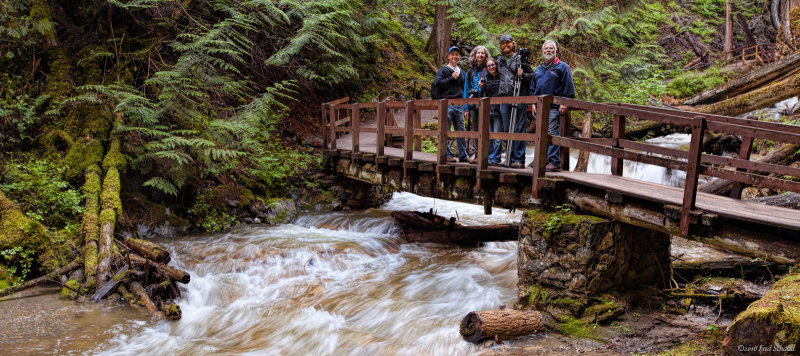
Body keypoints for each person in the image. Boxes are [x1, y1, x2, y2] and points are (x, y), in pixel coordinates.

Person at [529, 40, 575, 172]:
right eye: (546, 49)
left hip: (554, 106)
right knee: (540, 133)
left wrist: (564, 102)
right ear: (543, 51)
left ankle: (554, 162)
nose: (548, 51)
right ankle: (541, 159)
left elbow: (568, 87)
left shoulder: (562, 67)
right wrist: (533, 103)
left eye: (551, 49)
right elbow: (533, 88)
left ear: (555, 51)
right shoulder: (539, 69)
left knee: (551, 131)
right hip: (539, 106)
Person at [496, 34, 532, 168]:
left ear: (513, 43)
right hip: (504, 98)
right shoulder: (499, 61)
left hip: (519, 97)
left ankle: (519, 159)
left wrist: (523, 75)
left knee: (519, 128)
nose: (505, 45)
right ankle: (509, 157)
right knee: (507, 128)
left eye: (507, 42)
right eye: (502, 43)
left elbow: (532, 76)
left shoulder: (521, 59)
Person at [434, 46, 469, 163]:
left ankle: (463, 155)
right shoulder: (443, 70)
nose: (455, 56)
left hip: (459, 104)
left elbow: (464, 88)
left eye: (457, 54)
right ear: (448, 56)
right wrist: (451, 78)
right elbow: (438, 83)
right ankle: (446, 154)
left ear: (459, 57)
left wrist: (465, 106)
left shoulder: (462, 72)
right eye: (452, 54)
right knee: (446, 130)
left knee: (461, 131)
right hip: (447, 104)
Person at [463, 46, 493, 156]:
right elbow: (466, 90)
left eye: (482, 53)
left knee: (486, 128)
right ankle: (477, 153)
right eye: (478, 53)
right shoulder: (470, 72)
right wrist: (465, 108)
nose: (480, 55)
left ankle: (487, 154)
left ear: (486, 56)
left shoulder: (489, 69)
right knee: (476, 129)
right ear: (474, 55)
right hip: (473, 104)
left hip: (486, 104)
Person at [481, 59, 504, 166]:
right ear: (486, 68)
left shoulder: (502, 77)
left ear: (496, 65)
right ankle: (490, 157)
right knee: (489, 135)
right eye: (489, 66)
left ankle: (496, 158)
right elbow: (483, 94)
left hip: (499, 110)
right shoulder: (486, 79)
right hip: (488, 110)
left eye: (493, 65)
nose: (491, 67)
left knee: (497, 135)